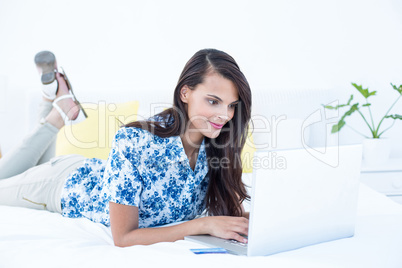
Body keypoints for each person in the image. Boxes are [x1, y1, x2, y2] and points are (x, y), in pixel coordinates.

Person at [0, 48, 252, 247]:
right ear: (185, 93)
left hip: (84, 169)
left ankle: (52, 99)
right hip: (59, 184)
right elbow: (123, 238)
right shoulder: (136, 141)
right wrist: (203, 224)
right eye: (213, 101)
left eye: (231, 105)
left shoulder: (217, 147)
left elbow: (229, 212)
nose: (224, 115)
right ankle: (57, 115)